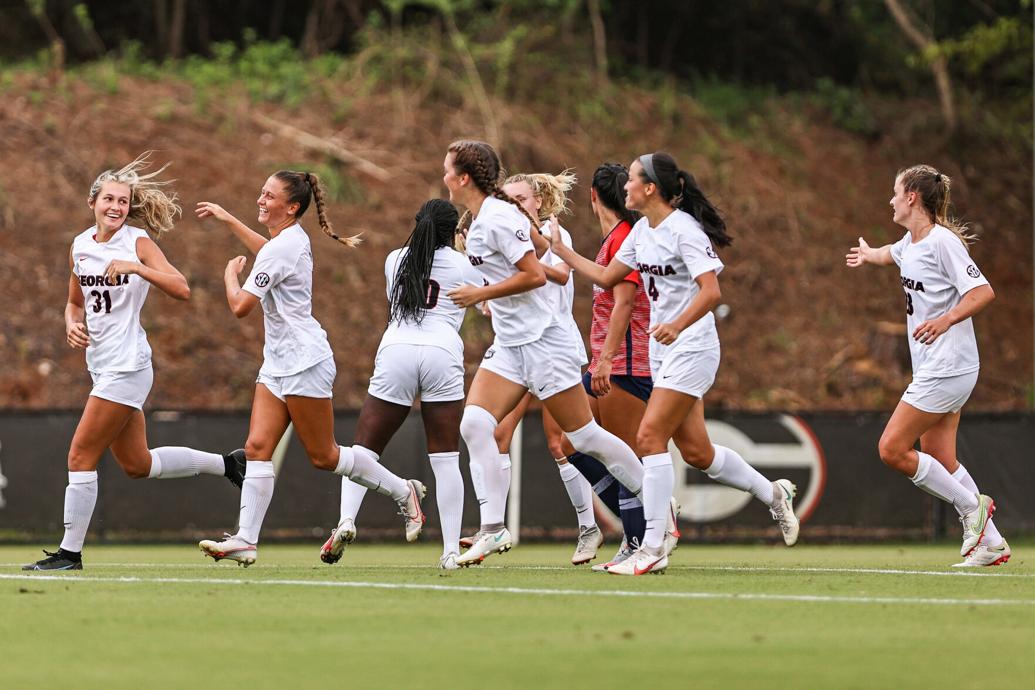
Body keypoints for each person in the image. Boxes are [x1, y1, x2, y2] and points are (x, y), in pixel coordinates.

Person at [549, 151, 799, 576]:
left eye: (631, 179)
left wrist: (678, 324)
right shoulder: (642, 231)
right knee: (698, 452)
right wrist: (558, 251)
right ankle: (773, 493)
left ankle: (651, 546)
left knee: (648, 438)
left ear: (651, 188)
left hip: (693, 346)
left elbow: (711, 292)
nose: (624, 186)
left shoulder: (684, 229)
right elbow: (609, 278)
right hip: (662, 351)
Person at [23, 154, 246, 572]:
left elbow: (181, 288)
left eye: (123, 202)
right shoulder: (80, 245)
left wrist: (137, 267)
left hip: (127, 366)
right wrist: (71, 324)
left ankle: (69, 554)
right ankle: (228, 463)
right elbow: (73, 303)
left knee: (80, 456)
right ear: (93, 201)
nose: (116, 208)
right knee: (137, 464)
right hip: (101, 365)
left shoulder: (137, 241)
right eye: (109, 199)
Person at [193, 171, 426, 567]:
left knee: (324, 456)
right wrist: (230, 220)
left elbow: (240, 307)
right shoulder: (285, 241)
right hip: (279, 362)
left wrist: (230, 277)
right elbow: (266, 251)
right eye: (261, 192)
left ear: (292, 206)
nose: (260, 199)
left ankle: (403, 491)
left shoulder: (283, 248)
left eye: (268, 196)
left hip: (305, 360)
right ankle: (246, 540)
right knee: (256, 448)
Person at [442, 140, 649, 568]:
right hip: (512, 345)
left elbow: (533, 276)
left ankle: (656, 503)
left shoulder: (496, 218)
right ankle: (493, 528)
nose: (443, 177)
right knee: (476, 424)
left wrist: (483, 291)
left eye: (447, 170)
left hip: (545, 342)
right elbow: (545, 266)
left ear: (463, 178)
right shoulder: (486, 219)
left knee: (583, 438)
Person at [846, 164, 1006, 567]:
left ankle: (973, 508)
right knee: (940, 457)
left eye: (895, 193)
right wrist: (869, 255)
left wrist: (947, 318)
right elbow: (891, 254)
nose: (891, 200)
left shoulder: (942, 243)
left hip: (949, 366)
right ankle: (991, 543)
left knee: (892, 449)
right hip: (937, 367)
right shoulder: (910, 243)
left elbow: (983, 292)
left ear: (912, 197)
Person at [319, 199, 480, 570]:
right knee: (445, 458)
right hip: (442, 351)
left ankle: (345, 520)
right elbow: (479, 297)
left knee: (364, 450)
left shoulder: (394, 259)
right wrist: (467, 250)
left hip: (397, 349)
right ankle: (451, 551)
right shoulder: (464, 265)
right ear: (453, 232)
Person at [488, 170, 605, 566]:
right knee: (496, 432)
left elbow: (547, 276)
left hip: (552, 347)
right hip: (517, 349)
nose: (515, 205)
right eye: (508, 198)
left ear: (538, 201)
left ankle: (592, 525)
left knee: (566, 443)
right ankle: (492, 527)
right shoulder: (504, 234)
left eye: (521, 198)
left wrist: (494, 288)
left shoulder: (557, 234)